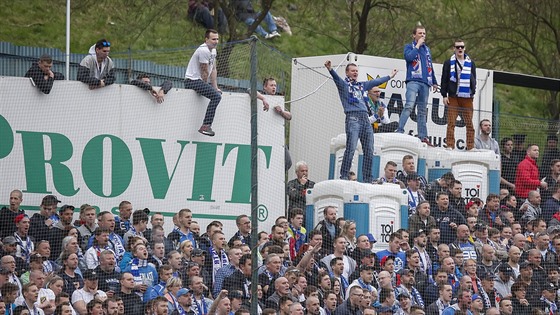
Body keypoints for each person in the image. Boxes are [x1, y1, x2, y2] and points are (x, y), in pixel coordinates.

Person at [324, 59, 397, 182]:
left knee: (369, 149)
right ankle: (344, 175)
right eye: (353, 71)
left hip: (365, 119)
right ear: (347, 73)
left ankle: (368, 178)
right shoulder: (344, 85)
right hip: (353, 118)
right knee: (351, 147)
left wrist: (390, 76)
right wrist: (330, 69)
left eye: (357, 71)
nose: (355, 73)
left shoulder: (361, 85)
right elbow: (336, 79)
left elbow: (375, 81)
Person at [397, 24, 438, 146]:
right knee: (409, 105)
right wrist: (418, 45)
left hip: (425, 83)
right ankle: (399, 130)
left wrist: (434, 81)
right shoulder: (409, 46)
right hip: (413, 80)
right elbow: (409, 58)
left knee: (422, 111)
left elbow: (429, 65)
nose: (422, 35)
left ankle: (423, 137)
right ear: (414, 35)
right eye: (420, 33)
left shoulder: (427, 49)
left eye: (424, 33)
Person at [440, 39, 476, 150]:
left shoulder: (471, 62)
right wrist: (444, 95)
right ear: (454, 49)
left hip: (466, 96)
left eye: (462, 47)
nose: (460, 49)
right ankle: (450, 144)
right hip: (453, 95)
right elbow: (444, 79)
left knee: (469, 123)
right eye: (457, 47)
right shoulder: (448, 62)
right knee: (451, 122)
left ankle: (470, 146)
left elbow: (473, 78)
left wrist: (472, 91)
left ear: (464, 48)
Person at [185, 29, 222, 136]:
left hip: (200, 81)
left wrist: (215, 87)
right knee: (216, 97)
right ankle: (206, 126)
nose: (216, 41)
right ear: (206, 39)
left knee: (216, 94)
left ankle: (206, 125)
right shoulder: (203, 50)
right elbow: (204, 72)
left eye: (217, 39)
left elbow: (213, 69)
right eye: (213, 39)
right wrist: (206, 86)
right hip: (192, 81)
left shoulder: (213, 51)